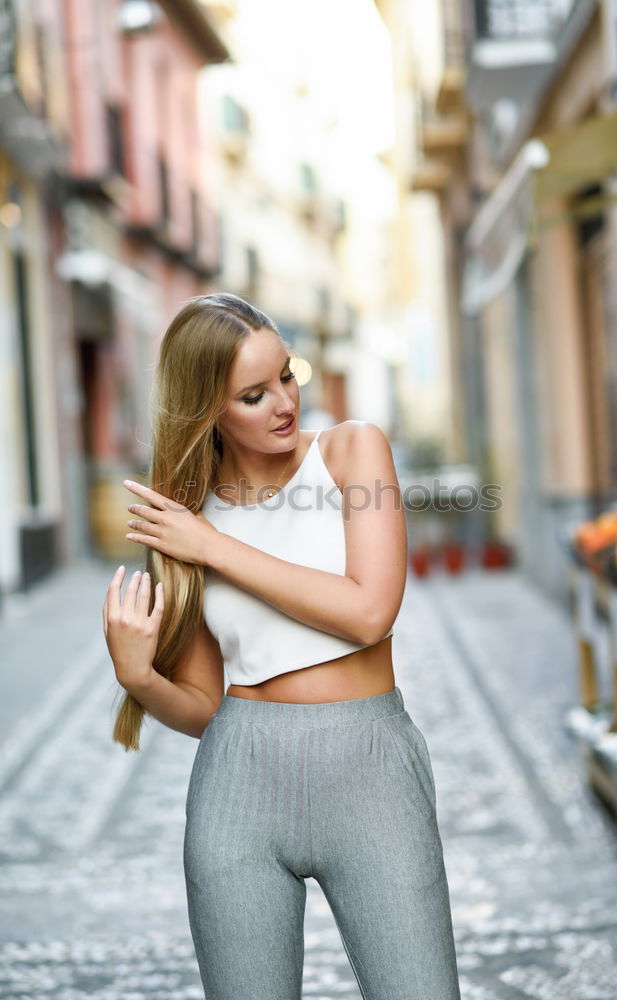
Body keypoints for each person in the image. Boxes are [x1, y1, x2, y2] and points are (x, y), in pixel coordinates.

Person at [102, 293, 461, 1000]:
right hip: (237, 787)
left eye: (286, 376)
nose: (283, 403)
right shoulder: (187, 519)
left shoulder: (352, 451)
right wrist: (139, 678)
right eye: (252, 394)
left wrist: (217, 548)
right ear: (208, 408)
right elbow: (208, 705)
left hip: (371, 775)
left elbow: (368, 612)